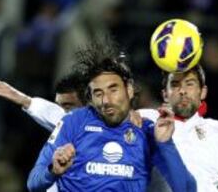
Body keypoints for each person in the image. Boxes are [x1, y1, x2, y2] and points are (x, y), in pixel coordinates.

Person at [14, 63, 218, 191]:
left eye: (190, 84)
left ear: (203, 92)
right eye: (175, 84)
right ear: (165, 92)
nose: (182, 91)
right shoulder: (144, 119)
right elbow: (80, 120)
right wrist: (28, 102)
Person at [26, 40, 196, 192]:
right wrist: (53, 170)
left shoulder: (148, 131)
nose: (106, 100)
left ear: (129, 90)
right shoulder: (73, 123)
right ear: (90, 97)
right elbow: (33, 183)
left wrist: (166, 144)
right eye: (98, 93)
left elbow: (187, 189)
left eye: (113, 90)